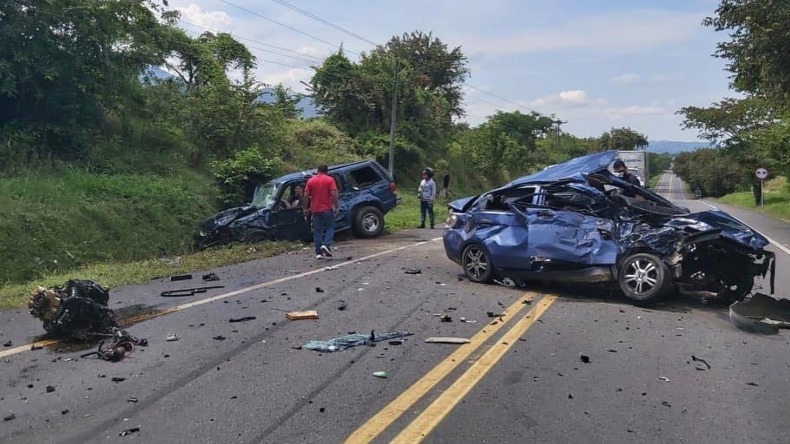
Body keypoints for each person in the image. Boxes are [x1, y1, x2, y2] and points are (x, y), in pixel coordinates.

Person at [303, 165, 338, 259]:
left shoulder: (310, 181)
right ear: (327, 171)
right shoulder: (330, 180)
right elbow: (334, 195)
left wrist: (305, 208)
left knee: (317, 231)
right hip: (327, 208)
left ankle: (318, 253)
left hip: (315, 209)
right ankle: (326, 245)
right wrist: (336, 206)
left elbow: (306, 196)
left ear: (317, 170)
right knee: (330, 227)